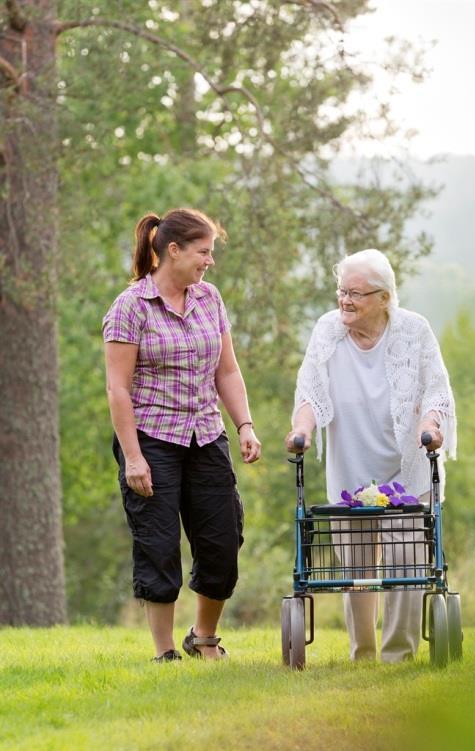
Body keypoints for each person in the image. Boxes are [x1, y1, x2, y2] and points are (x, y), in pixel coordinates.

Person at [103, 207, 261, 662]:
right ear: (173, 251)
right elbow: (118, 389)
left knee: (223, 539)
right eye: (203, 252)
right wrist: (133, 457)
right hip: (151, 438)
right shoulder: (130, 307)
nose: (209, 261)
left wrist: (244, 424)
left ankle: (204, 637)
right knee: (157, 543)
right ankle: (165, 652)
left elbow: (226, 370)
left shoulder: (209, 298)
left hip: (206, 435)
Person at [285, 248, 456, 663]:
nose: (345, 300)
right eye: (342, 290)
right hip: (351, 469)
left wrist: (430, 425)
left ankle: (398, 654)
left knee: (406, 560)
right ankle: (362, 655)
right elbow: (310, 389)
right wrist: (301, 430)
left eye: (356, 293)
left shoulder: (414, 330)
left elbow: (436, 388)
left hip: (405, 468)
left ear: (384, 297)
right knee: (355, 567)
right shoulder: (328, 329)